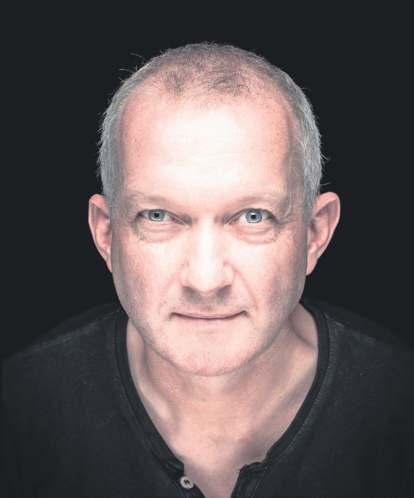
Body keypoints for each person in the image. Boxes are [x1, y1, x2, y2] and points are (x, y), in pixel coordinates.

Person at [1, 42, 413, 498]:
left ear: (314, 234)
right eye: (158, 216)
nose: (205, 280)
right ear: (106, 234)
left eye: (253, 217)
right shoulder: (20, 411)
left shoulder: (399, 406)